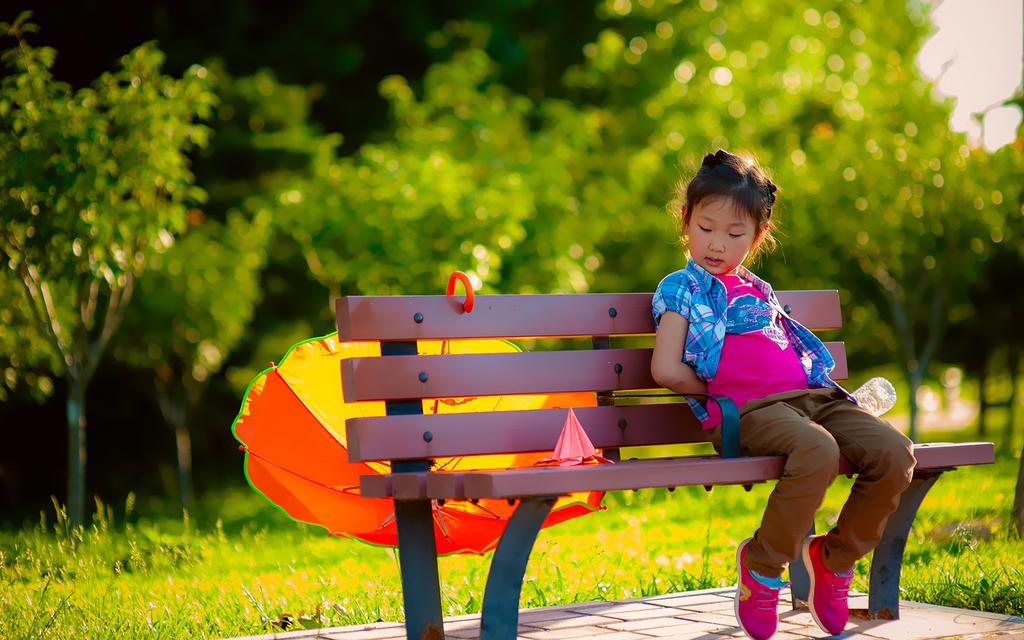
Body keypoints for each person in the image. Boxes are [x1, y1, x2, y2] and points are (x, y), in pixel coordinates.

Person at [649, 149, 916, 640]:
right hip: (748, 411)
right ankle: (762, 565)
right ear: (686, 220)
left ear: (757, 237)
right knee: (818, 449)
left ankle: (832, 559)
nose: (717, 245)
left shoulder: (759, 288)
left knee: (896, 452)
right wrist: (719, 392)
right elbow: (665, 367)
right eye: (706, 228)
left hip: (811, 398)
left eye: (735, 235)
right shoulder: (681, 287)